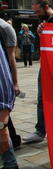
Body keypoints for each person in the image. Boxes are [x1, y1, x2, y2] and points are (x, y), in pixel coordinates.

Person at [24, 0, 53, 144]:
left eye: (38, 12)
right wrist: (40, 32)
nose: (37, 15)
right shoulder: (42, 19)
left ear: (46, 7)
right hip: (46, 64)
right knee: (42, 97)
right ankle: (40, 130)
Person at [0, 18, 22, 150]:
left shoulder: (4, 28)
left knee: (3, 114)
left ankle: (12, 141)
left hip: (3, 76)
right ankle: (13, 140)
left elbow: (11, 57)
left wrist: (15, 83)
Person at [0, 27, 18, 169]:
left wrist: (3, 123)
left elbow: (10, 60)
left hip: (2, 97)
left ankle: (10, 164)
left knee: (3, 134)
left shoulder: (4, 27)